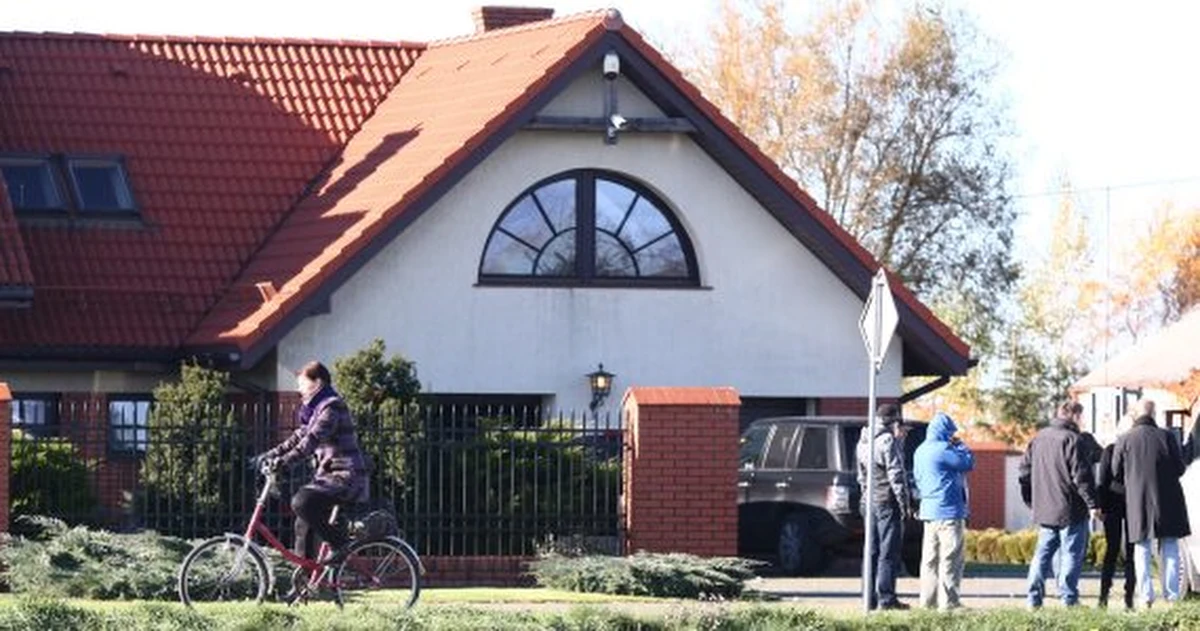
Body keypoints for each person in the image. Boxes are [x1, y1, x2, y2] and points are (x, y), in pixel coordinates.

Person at [255, 361, 369, 561]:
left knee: (301, 502)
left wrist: (284, 462)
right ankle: (305, 582)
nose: (298, 389)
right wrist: (269, 455)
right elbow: (296, 438)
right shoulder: (315, 411)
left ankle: (340, 543)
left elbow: (311, 440)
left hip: (345, 477)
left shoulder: (331, 407)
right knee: (302, 524)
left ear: (317, 383)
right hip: (329, 477)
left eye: (302, 383)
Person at [1018, 401, 1101, 609]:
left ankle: (1033, 598)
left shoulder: (1038, 438)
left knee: (1042, 554)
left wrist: (1031, 500)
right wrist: (1093, 504)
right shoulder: (1073, 440)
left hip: (1045, 508)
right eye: (1081, 417)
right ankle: (1068, 599)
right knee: (1071, 553)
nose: (1082, 421)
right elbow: (1081, 477)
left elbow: (1024, 473)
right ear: (1073, 416)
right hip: (1070, 508)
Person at [1111, 398, 1191, 609]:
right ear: (1154, 414)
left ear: (1135, 415)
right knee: (1171, 546)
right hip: (1169, 499)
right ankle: (1172, 596)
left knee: (1142, 548)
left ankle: (1146, 596)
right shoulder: (1166, 437)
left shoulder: (1125, 439)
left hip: (1138, 499)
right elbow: (1180, 468)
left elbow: (1115, 472)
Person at [913, 412, 975, 611]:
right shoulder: (944, 449)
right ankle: (949, 602)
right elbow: (968, 463)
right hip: (948, 511)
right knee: (951, 558)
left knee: (929, 560)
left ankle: (927, 602)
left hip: (928, 512)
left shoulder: (920, 450)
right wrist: (961, 445)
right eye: (950, 432)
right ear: (945, 431)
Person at [857, 403, 912, 611]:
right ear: (893, 420)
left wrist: (865, 495)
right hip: (886, 501)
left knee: (870, 551)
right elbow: (896, 475)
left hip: (868, 500)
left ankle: (868, 598)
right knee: (888, 552)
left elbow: (861, 476)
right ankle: (886, 598)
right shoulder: (887, 440)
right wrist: (904, 503)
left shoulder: (863, 439)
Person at [1096, 413, 1136, 610]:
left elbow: (1102, 480)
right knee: (1132, 550)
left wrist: (1100, 506)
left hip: (1112, 502)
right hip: (1133, 502)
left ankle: (1103, 596)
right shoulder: (1135, 450)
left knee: (1111, 550)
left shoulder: (1110, 450)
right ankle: (1129, 598)